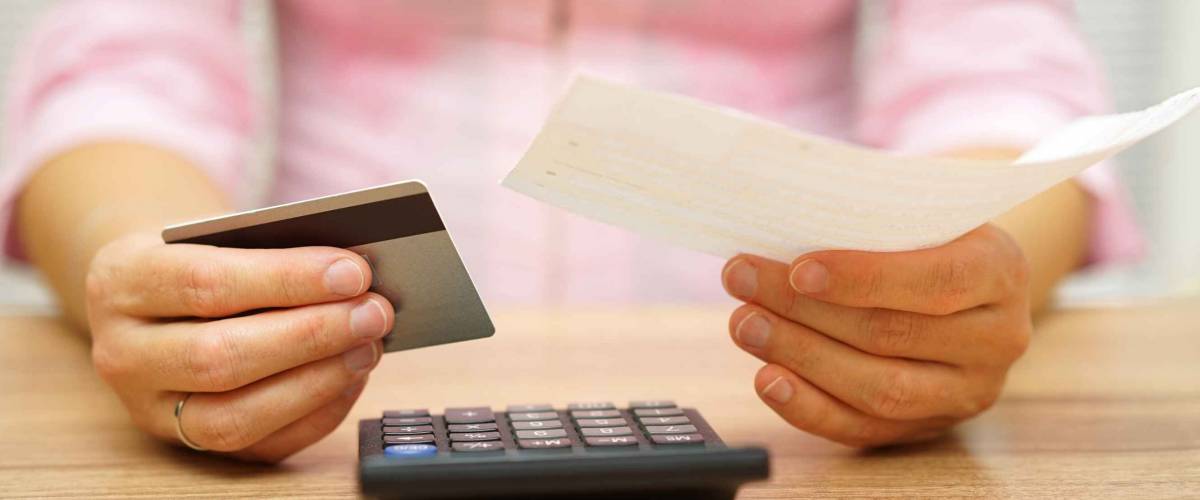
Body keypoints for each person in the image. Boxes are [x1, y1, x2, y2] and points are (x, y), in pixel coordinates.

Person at [0, 0, 1140, 462]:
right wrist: (162, 280)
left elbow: (1001, 79)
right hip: (327, 419)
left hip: (800, 423)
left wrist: (949, 279)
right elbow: (125, 71)